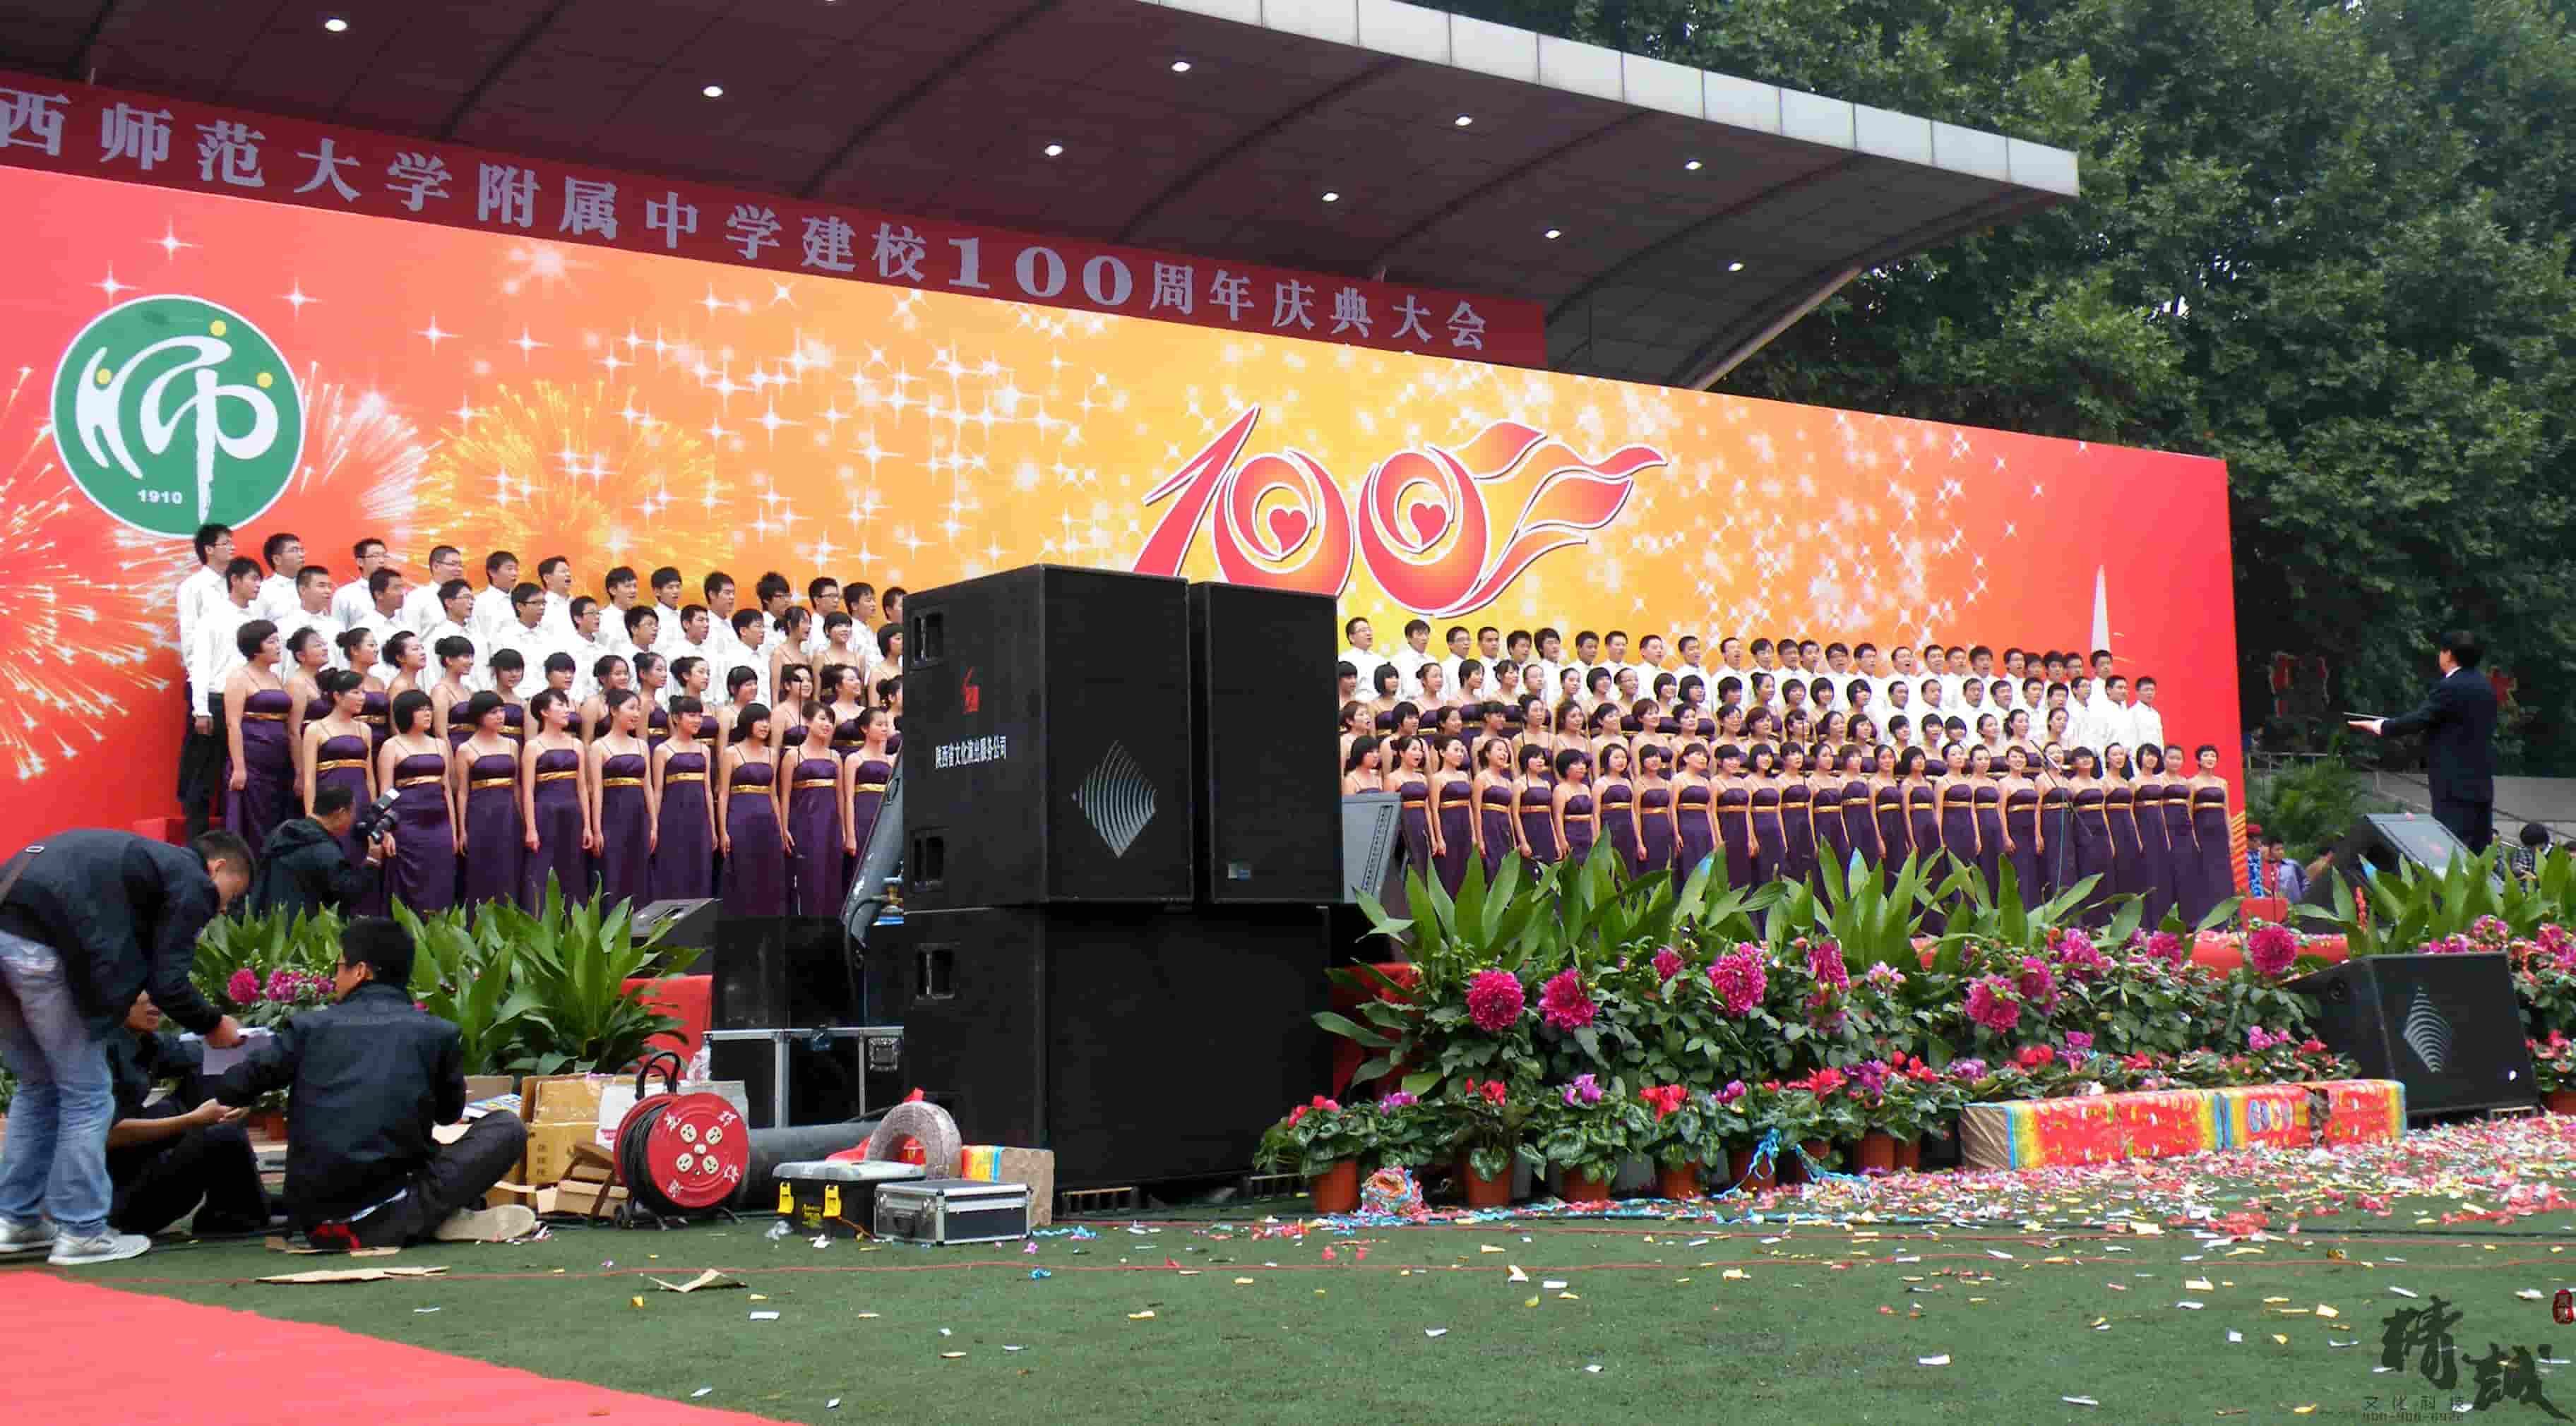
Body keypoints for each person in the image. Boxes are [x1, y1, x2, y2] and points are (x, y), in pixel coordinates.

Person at [0, 828, 253, 1266]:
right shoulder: (191, 879)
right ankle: (83, 1232)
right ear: (217, 868)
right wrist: (215, 1025)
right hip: (40, 946)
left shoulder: (141, 867)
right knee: (87, 1094)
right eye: (233, 894)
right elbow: (168, 984)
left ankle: (15, 1221)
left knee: (39, 1086)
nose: (224, 908)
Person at [210, 916, 532, 1248]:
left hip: (313, 1220)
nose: (335, 977)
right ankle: (434, 1216)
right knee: (507, 1128)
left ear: (360, 971)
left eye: (339, 967)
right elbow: (449, 1114)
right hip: (392, 1208)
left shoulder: (308, 1029)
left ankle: (432, 1216)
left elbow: (233, 1087)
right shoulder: (436, 1033)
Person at [104, 991, 273, 1239]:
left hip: (134, 1168)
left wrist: (233, 1036)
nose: (153, 998)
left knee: (209, 1077)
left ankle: (233, 1204)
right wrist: (193, 1119)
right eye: (141, 988)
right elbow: (106, 1136)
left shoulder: (146, 1041)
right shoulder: (96, 1050)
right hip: (111, 1206)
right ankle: (241, 1213)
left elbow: (212, 1051)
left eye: (153, 987)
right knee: (221, 1133)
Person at [2350, 631, 2499, 853]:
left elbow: (2420, 719)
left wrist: (2380, 726)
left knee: (2449, 850)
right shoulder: (2486, 687)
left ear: (2448, 654)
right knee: (2477, 853)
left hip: (2453, 783)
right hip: (2481, 783)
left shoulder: (2451, 686)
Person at [251, 786, 391, 918]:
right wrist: (372, 860)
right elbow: (348, 894)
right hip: (302, 930)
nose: (354, 819)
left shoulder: (280, 831)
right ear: (341, 813)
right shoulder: (325, 850)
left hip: (267, 924)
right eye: (352, 813)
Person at [2253, 833, 2312, 901]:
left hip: (2294, 905)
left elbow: (2304, 881)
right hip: (2269, 903)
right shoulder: (2259, 868)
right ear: (2269, 851)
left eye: (2282, 849)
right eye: (2277, 850)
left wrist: (2301, 896)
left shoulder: (2292, 864)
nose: (2281, 852)